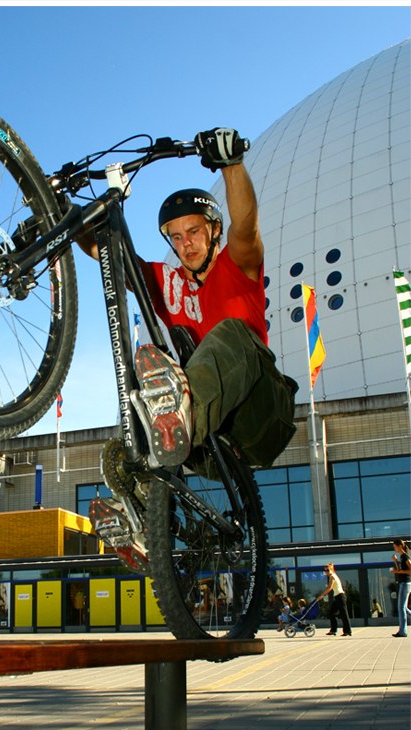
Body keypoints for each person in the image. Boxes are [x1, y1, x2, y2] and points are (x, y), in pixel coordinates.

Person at [81, 128, 298, 572]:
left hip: (259, 415)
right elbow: (108, 254)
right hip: (206, 439)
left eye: (194, 232)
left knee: (231, 334)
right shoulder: (168, 281)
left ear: (213, 230)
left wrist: (231, 164)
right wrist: (58, 214)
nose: (186, 244)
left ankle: (180, 411)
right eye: (176, 237)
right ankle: (144, 528)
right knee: (124, 449)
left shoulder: (238, 264)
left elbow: (247, 226)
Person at [315, 563, 352, 636]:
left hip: (340, 596)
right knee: (332, 613)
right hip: (337, 597)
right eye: (325, 570)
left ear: (331, 570)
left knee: (344, 614)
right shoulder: (332, 576)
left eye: (328, 570)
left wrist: (322, 595)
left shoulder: (333, 576)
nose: (326, 572)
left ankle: (347, 631)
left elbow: (330, 588)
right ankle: (333, 630)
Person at [391, 538, 411, 637]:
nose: (394, 548)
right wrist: (395, 561)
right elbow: (399, 570)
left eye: (395, 546)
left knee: (401, 607)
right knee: (404, 608)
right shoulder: (401, 557)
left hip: (406, 583)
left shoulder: (405, 556)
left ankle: (402, 631)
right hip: (404, 583)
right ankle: (402, 630)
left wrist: (397, 572)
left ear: (399, 546)